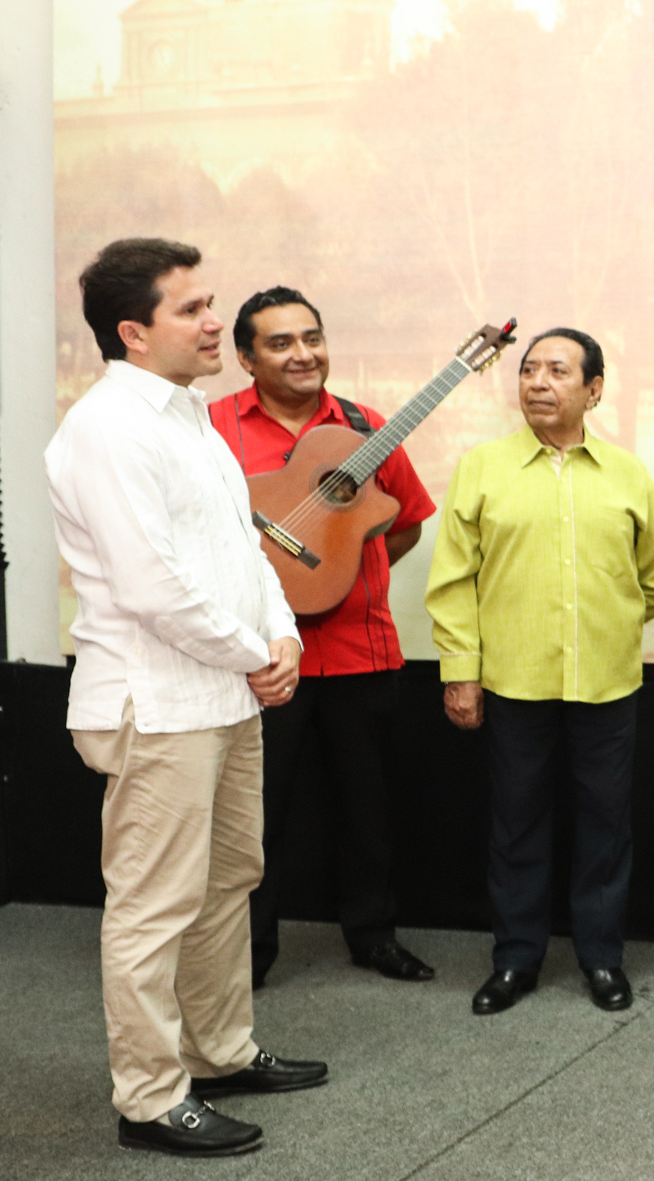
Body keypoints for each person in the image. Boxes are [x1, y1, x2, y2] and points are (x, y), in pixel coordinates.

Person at [46, 238, 329, 1158]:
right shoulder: (106, 429)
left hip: (224, 693)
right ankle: (151, 1098)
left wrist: (281, 632)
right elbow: (151, 585)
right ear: (133, 331)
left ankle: (219, 1052)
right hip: (157, 702)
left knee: (226, 883)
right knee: (153, 905)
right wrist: (258, 654)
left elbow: (242, 550)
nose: (216, 322)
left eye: (212, 304)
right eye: (193, 309)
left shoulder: (191, 417)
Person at [426, 327, 654, 1016]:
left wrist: (612, 620)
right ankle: (515, 960)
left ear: (593, 389)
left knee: (606, 824)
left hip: (606, 680)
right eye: (529, 370)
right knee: (516, 823)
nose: (539, 382)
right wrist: (461, 670)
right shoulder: (482, 468)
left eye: (558, 371)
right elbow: (453, 581)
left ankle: (602, 958)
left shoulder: (627, 474)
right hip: (512, 682)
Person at [209, 286, 438, 988]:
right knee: (256, 815)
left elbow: (406, 519)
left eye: (312, 337)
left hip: (361, 650)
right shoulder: (213, 427)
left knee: (367, 811)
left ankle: (372, 936)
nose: (303, 353)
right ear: (247, 357)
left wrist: (335, 571)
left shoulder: (367, 427)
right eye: (280, 342)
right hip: (260, 660)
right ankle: (249, 954)